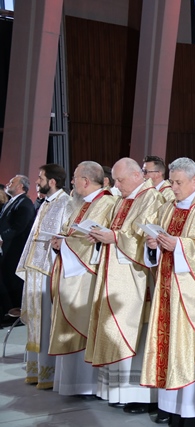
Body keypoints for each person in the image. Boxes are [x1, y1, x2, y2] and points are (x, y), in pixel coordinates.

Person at [141, 157, 195, 426]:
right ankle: (172, 408)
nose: (174, 188)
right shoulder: (167, 207)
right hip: (167, 289)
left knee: (191, 348)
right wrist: (153, 245)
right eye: (172, 182)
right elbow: (157, 241)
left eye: (179, 183)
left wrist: (179, 245)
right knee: (169, 346)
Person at [83, 158, 164, 413]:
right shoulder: (122, 199)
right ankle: (115, 390)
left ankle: (138, 395)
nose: (116, 185)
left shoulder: (152, 198)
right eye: (116, 180)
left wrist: (115, 237)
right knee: (112, 327)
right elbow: (114, 230)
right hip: (113, 274)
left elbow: (147, 238)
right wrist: (100, 235)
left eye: (120, 180)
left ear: (137, 175)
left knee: (132, 330)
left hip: (135, 278)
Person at [49, 161, 117, 396]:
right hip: (72, 272)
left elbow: (92, 241)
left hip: (87, 276)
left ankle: (87, 385)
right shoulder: (84, 202)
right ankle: (72, 383)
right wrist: (60, 241)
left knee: (85, 324)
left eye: (75, 178)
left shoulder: (106, 202)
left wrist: (65, 244)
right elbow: (73, 233)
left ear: (86, 181)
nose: (72, 182)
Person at [16, 164, 71, 389]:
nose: (37, 181)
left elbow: (66, 235)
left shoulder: (66, 203)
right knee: (35, 322)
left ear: (52, 182)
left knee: (47, 321)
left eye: (40, 178)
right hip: (35, 269)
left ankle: (49, 372)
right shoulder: (46, 203)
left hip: (49, 269)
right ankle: (36, 370)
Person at [0, 175, 36, 319]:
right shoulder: (12, 201)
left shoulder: (24, 203)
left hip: (16, 250)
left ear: (21, 186)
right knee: (7, 279)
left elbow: (18, 227)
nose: (8, 183)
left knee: (14, 281)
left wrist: (2, 237)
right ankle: (10, 311)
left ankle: (17, 313)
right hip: (8, 249)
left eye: (12, 182)